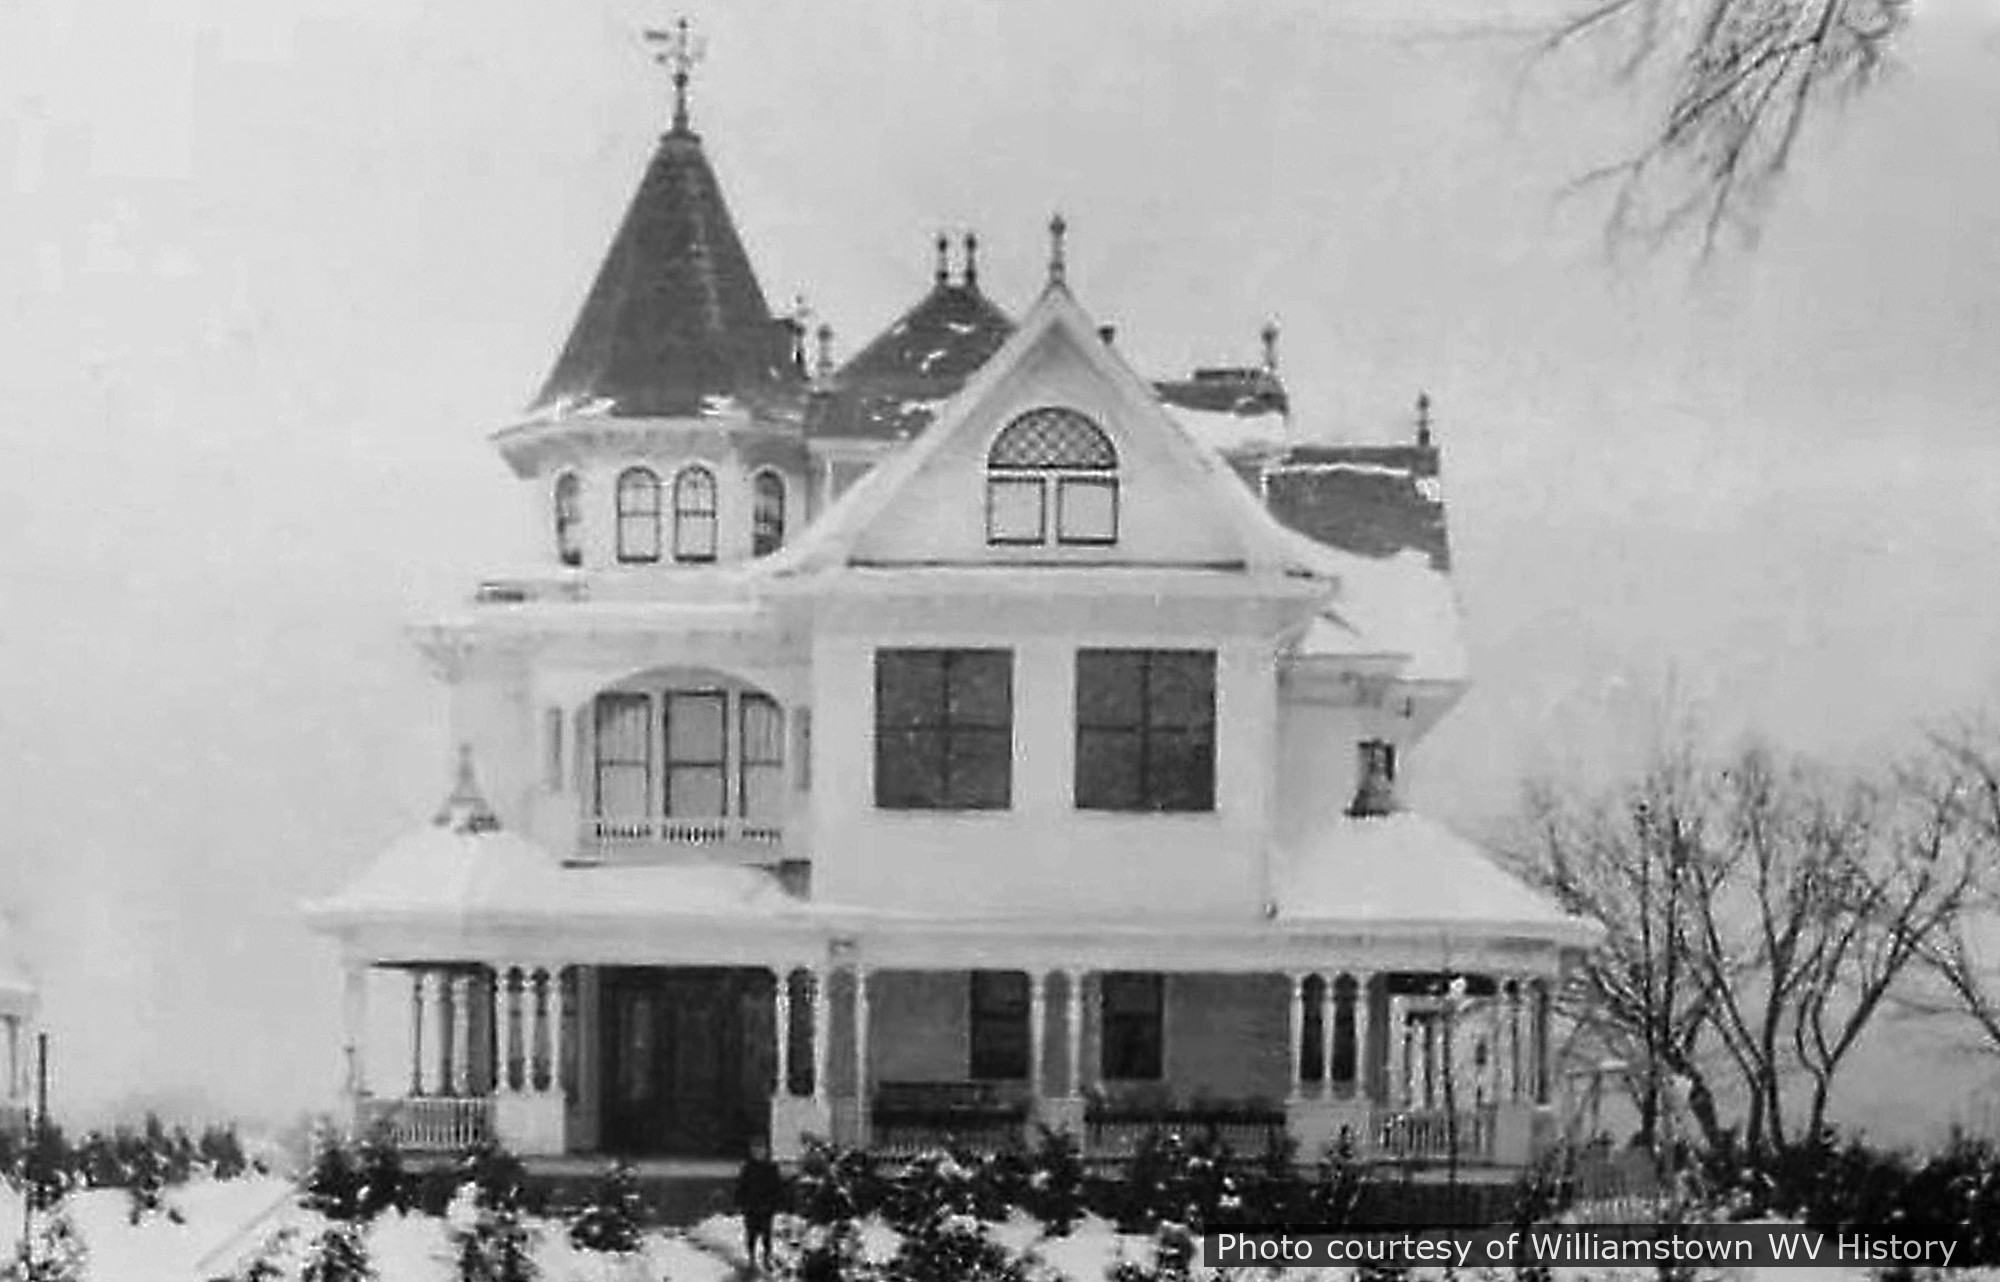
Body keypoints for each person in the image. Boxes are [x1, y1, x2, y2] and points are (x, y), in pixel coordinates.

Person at [735, 1137, 785, 1272]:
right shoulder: (748, 1168)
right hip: (751, 1206)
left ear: (766, 1151)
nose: (758, 1152)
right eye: (755, 1150)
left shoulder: (771, 1168)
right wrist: (740, 1203)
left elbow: (777, 1187)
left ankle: (767, 1257)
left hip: (766, 1207)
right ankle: (751, 1258)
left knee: (766, 1234)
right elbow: (741, 1186)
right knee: (751, 1234)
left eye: (761, 1149)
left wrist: (775, 1203)